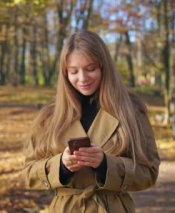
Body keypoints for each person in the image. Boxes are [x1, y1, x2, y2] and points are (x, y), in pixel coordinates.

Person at [22, 30, 160, 213]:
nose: (82, 78)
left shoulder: (131, 110)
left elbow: (149, 173)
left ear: (104, 67)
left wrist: (105, 165)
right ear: (65, 74)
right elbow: (27, 174)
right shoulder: (50, 117)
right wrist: (61, 166)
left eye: (90, 69)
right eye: (74, 71)